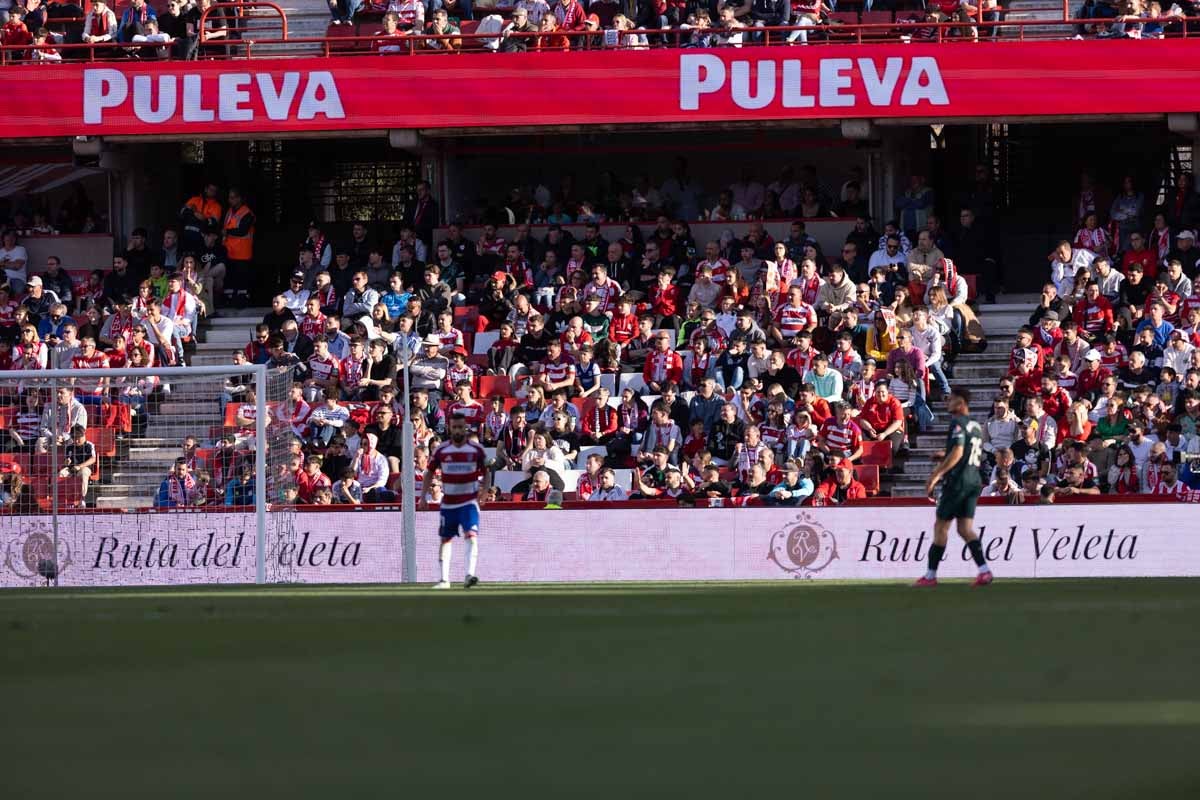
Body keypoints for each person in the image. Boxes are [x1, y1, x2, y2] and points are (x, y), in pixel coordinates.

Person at [916, 388, 994, 588]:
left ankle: (930, 575)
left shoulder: (957, 423)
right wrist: (945, 453)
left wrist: (935, 475)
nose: (947, 403)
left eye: (950, 400)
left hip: (958, 481)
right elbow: (967, 451)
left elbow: (959, 452)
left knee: (941, 526)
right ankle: (984, 571)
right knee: (964, 528)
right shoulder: (976, 426)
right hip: (973, 481)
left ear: (960, 403)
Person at [421, 413, 491, 590]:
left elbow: (487, 472)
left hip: (469, 503)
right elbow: (429, 472)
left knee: (472, 536)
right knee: (446, 539)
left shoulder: (476, 450)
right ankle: (444, 580)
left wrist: (484, 492)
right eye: (455, 427)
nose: (458, 430)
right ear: (449, 428)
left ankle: (469, 574)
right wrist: (422, 496)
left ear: (465, 428)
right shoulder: (442, 450)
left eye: (461, 427)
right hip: (448, 503)